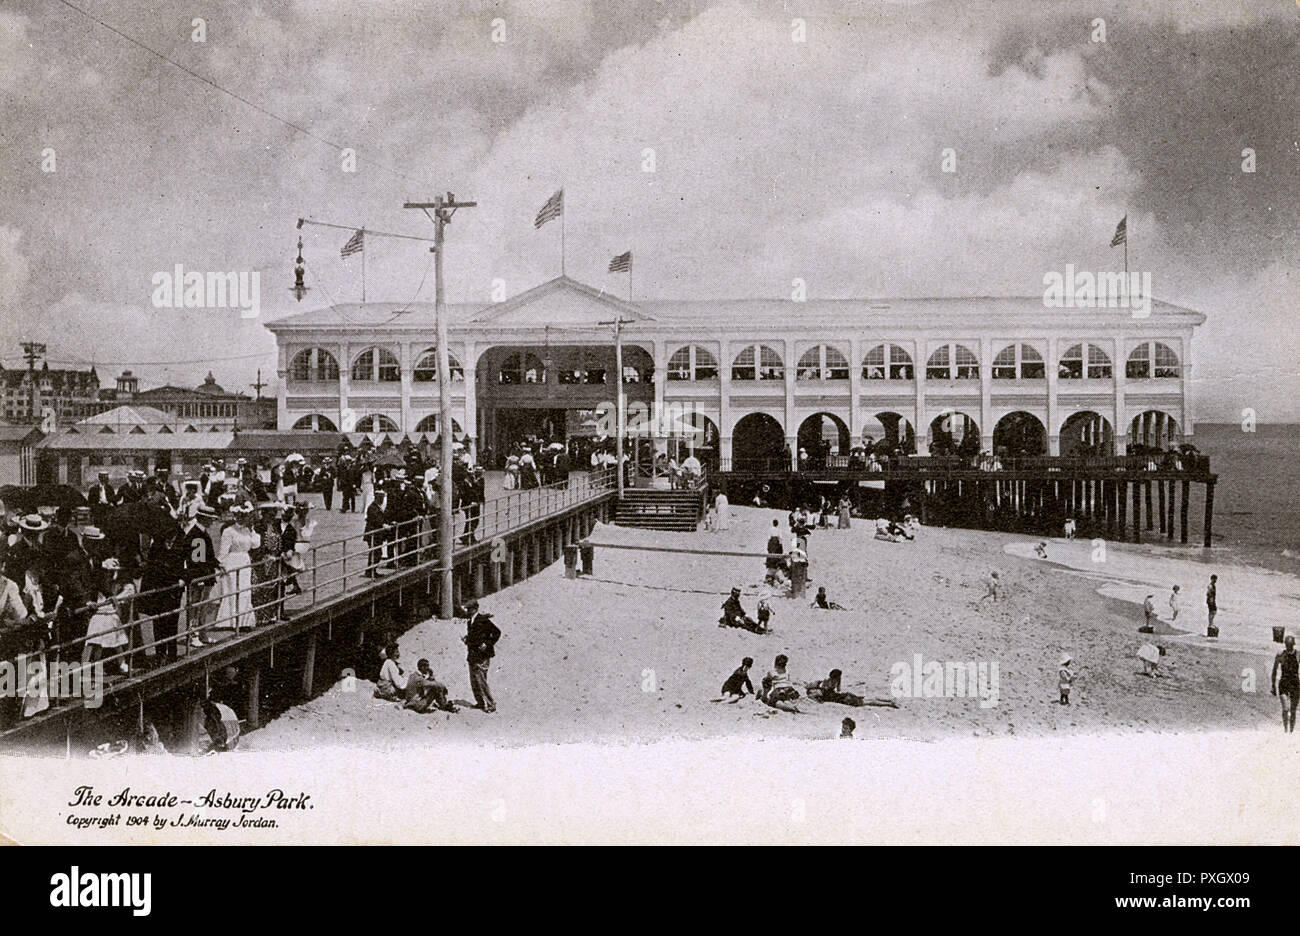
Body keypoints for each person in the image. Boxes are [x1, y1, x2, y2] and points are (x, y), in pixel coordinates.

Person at [216, 505, 259, 632]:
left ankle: (244, 621)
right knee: (234, 590)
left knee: (245, 591)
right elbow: (223, 551)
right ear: (236, 516)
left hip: (245, 562)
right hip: (233, 562)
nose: (243, 518)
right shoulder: (228, 531)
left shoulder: (247, 530)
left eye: (245, 515)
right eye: (240, 515)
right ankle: (232, 621)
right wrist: (222, 565)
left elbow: (255, 545)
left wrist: (252, 530)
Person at [462, 600, 501, 713]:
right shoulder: (470, 622)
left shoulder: (483, 620)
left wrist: (487, 644)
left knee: (481, 680)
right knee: (474, 681)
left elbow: (497, 632)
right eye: (467, 609)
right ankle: (480, 703)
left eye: (469, 609)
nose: (468, 611)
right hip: (472, 655)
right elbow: (474, 637)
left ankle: (491, 704)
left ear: (475, 608)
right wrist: (467, 639)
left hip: (482, 656)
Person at [1272, 635, 1299, 733]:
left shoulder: (1298, 655)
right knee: (1286, 708)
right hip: (1284, 683)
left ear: (1293, 645)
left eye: (1290, 645)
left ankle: (1291, 731)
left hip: (1295, 684)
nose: (1289, 647)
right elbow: (1274, 670)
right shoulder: (1280, 655)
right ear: (1285, 645)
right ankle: (1285, 730)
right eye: (1288, 645)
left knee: (1293, 710)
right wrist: (1273, 685)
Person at [364, 490, 389, 577]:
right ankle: (370, 571)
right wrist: (383, 525)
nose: (382, 499)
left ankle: (372, 570)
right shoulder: (372, 507)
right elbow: (375, 519)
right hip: (373, 534)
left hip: (377, 534)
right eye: (380, 497)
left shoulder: (377, 506)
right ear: (377, 497)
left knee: (376, 552)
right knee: (375, 552)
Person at [764, 519, 786, 586]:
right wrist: (780, 545)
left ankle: (772, 570)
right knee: (776, 556)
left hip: (772, 543)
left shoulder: (770, 529)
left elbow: (768, 538)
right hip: (776, 543)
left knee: (771, 555)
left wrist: (768, 545)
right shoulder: (778, 530)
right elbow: (780, 538)